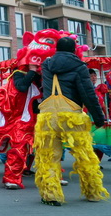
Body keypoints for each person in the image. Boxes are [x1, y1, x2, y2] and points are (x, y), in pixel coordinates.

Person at [35, 37, 109, 206]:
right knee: (84, 155)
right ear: (74, 50)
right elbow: (87, 94)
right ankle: (93, 192)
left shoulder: (47, 65)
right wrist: (99, 118)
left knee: (48, 157)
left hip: (47, 116)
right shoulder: (79, 67)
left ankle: (50, 194)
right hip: (71, 116)